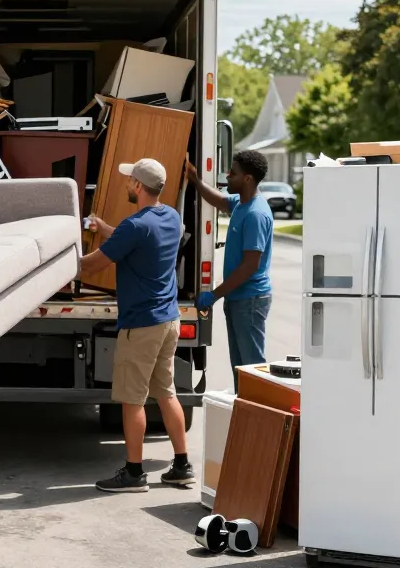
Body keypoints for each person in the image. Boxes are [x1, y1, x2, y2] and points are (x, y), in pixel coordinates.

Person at [80, 158, 195, 494]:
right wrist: (105, 229)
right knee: (167, 393)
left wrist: (54, 262)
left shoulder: (134, 226)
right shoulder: (170, 217)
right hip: (169, 321)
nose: (126, 183)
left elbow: (93, 265)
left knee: (133, 400)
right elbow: (135, 240)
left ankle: (133, 474)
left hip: (141, 326)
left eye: (130, 179)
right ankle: (182, 466)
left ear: (139, 187)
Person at [186, 150, 274, 390]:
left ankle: (257, 411)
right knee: (240, 368)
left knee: (252, 368)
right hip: (239, 299)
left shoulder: (255, 214)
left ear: (248, 178)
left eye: (233, 173)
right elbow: (219, 200)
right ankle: (244, 407)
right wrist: (196, 181)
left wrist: (214, 295)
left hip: (250, 300)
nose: (227, 176)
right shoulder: (241, 204)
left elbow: (250, 265)